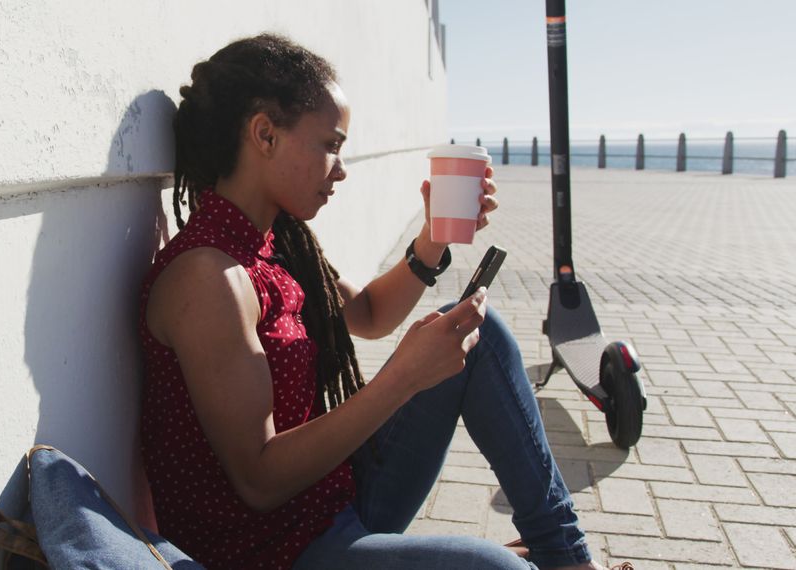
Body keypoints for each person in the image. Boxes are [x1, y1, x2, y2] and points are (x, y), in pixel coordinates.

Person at [138, 33, 618, 570]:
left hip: (328, 501)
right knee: (495, 567)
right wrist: (403, 379)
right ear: (265, 135)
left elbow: (366, 314)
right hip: (275, 552)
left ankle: (566, 556)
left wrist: (432, 239)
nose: (341, 168)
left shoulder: (272, 243)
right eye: (331, 145)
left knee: (480, 336)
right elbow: (258, 480)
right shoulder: (208, 278)